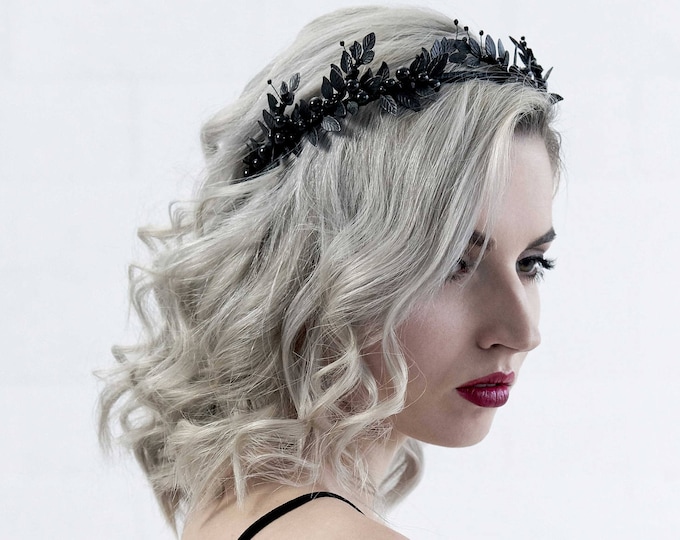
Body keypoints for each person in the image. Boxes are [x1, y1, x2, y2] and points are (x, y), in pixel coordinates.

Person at [99, 5, 562, 539]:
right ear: (316, 262)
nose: (522, 332)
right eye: (452, 265)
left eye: (531, 263)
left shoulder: (236, 506)